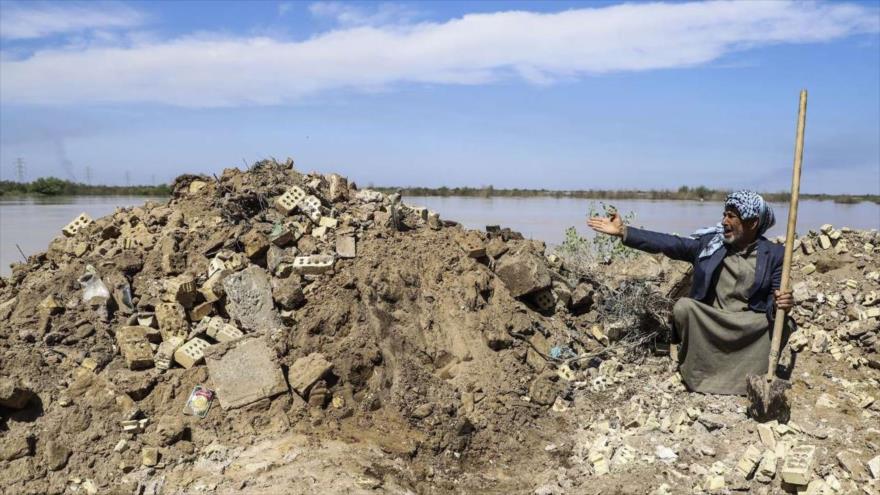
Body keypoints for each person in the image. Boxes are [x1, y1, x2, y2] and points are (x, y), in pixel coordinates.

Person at [587, 190, 794, 395]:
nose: (723, 221)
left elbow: (771, 301)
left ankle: (753, 376)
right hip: (712, 321)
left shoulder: (775, 255)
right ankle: (699, 373)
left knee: (784, 323)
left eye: (731, 216)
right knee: (684, 307)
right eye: (724, 214)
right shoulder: (711, 244)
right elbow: (670, 243)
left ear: (753, 223)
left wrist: (779, 304)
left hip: (747, 325)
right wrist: (624, 231)